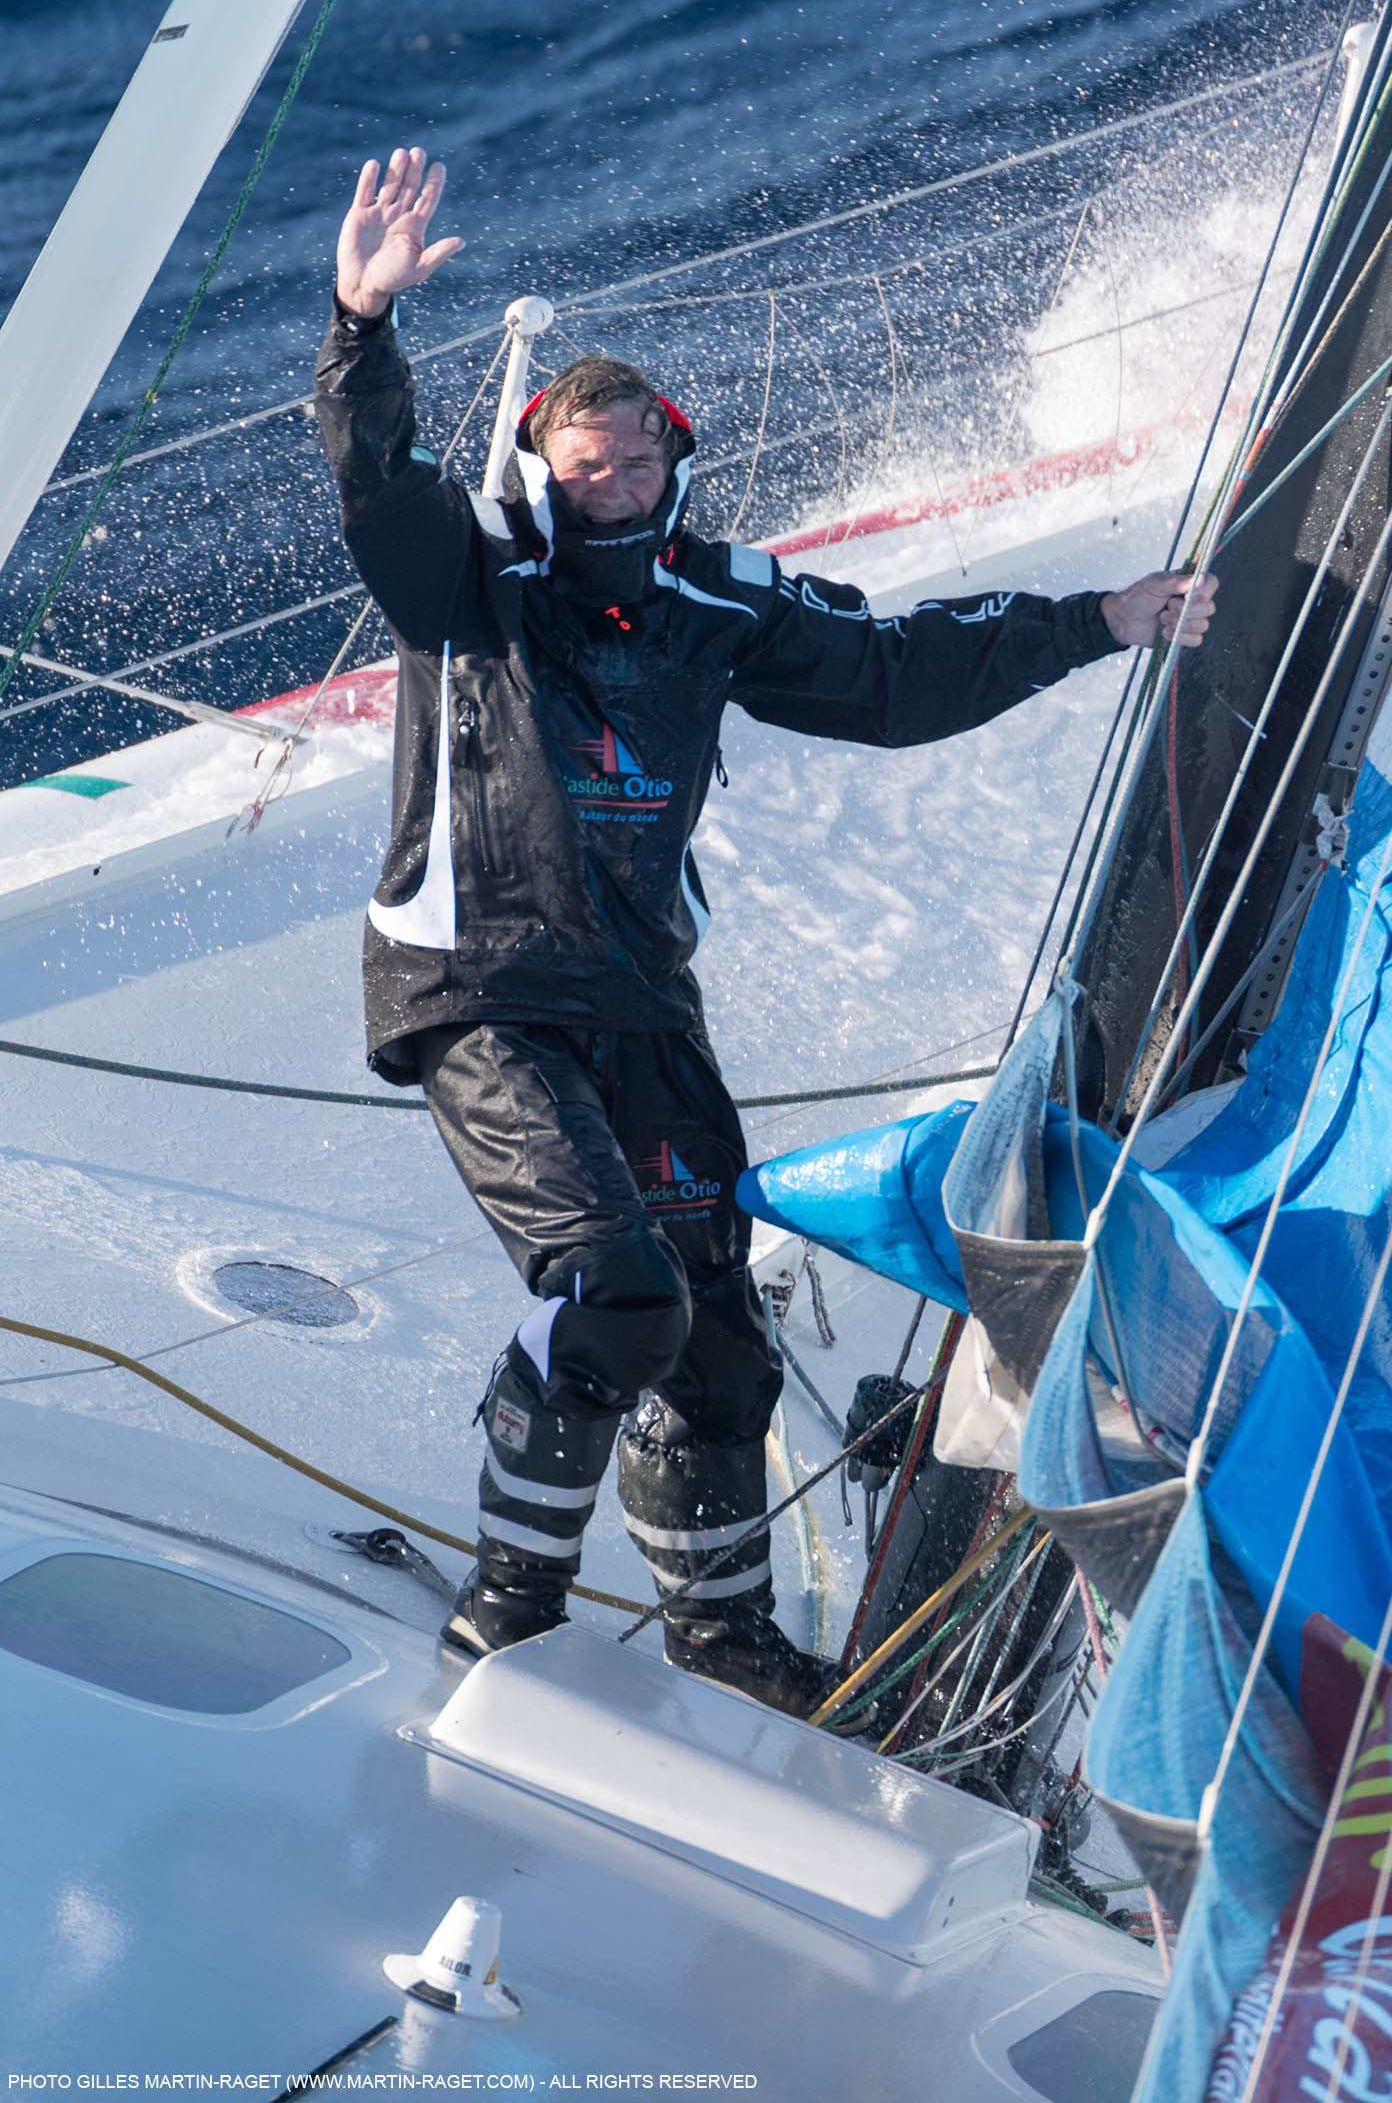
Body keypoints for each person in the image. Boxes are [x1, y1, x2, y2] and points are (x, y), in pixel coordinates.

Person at [314, 145, 1217, 1714]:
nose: (611, 484)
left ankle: (723, 1641)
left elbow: (895, 675)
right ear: (535, 466)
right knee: (616, 1293)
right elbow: (375, 482)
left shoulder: (714, 602)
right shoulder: (467, 575)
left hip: (643, 1008)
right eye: (582, 464)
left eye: (636, 461)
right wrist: (362, 325)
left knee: (717, 1340)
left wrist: (1097, 622)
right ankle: (506, 1615)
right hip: (485, 996)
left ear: (674, 464)